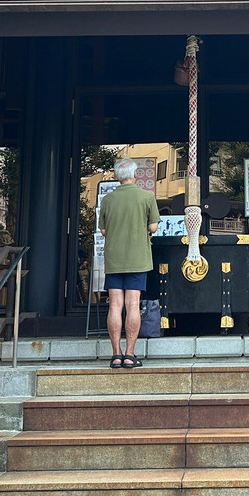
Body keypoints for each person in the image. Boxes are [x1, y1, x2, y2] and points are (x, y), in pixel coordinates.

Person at [98, 157, 159, 369]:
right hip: (138, 258)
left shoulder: (108, 200)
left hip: (114, 258)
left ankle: (116, 354)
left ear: (116, 176)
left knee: (115, 305)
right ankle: (130, 354)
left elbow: (104, 231)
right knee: (133, 304)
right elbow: (153, 227)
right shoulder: (146, 197)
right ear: (136, 175)